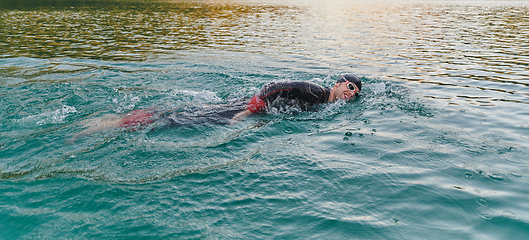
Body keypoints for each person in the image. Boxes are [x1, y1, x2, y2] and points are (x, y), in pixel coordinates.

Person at [71, 74, 361, 141]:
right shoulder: (315, 91)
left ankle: (110, 120)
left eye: (356, 93)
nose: (351, 94)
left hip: (256, 112)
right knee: (176, 121)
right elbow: (273, 87)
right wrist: (250, 112)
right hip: (247, 107)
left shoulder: (327, 107)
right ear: (338, 83)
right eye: (349, 87)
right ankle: (108, 124)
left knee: (185, 116)